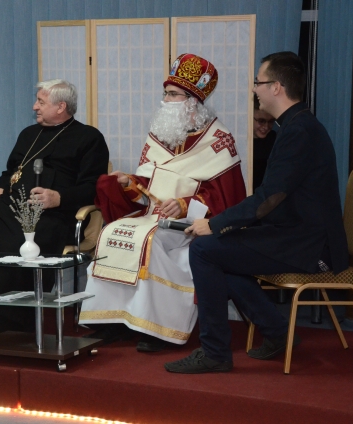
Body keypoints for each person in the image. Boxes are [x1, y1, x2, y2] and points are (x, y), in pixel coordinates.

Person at [164, 51, 349, 374]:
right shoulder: (298, 125)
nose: (254, 89)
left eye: (258, 82)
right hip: (298, 233)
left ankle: (215, 352)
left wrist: (216, 223)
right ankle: (276, 331)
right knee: (219, 250)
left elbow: (269, 198)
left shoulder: (299, 131)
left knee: (205, 250)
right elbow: (273, 198)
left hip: (309, 245)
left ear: (276, 87)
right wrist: (228, 226)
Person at [78, 53, 247, 353]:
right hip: (152, 215)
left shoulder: (219, 141)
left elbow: (227, 198)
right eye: (165, 93)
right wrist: (129, 182)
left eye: (172, 94)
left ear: (192, 101)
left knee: (149, 241)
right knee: (112, 233)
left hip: (189, 224)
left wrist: (185, 205)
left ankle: (157, 329)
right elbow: (146, 186)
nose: (165, 100)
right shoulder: (160, 135)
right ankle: (114, 320)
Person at [0, 79, 109, 345]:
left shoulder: (89, 138)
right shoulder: (28, 134)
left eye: (41, 102)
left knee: (19, 244)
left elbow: (94, 186)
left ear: (61, 106)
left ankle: (5, 322)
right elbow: (10, 171)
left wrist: (59, 198)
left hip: (56, 215)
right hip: (14, 206)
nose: (35, 106)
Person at [252, 94, 277, 190]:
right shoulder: (241, 141)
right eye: (261, 121)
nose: (266, 127)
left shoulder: (276, 140)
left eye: (271, 121)